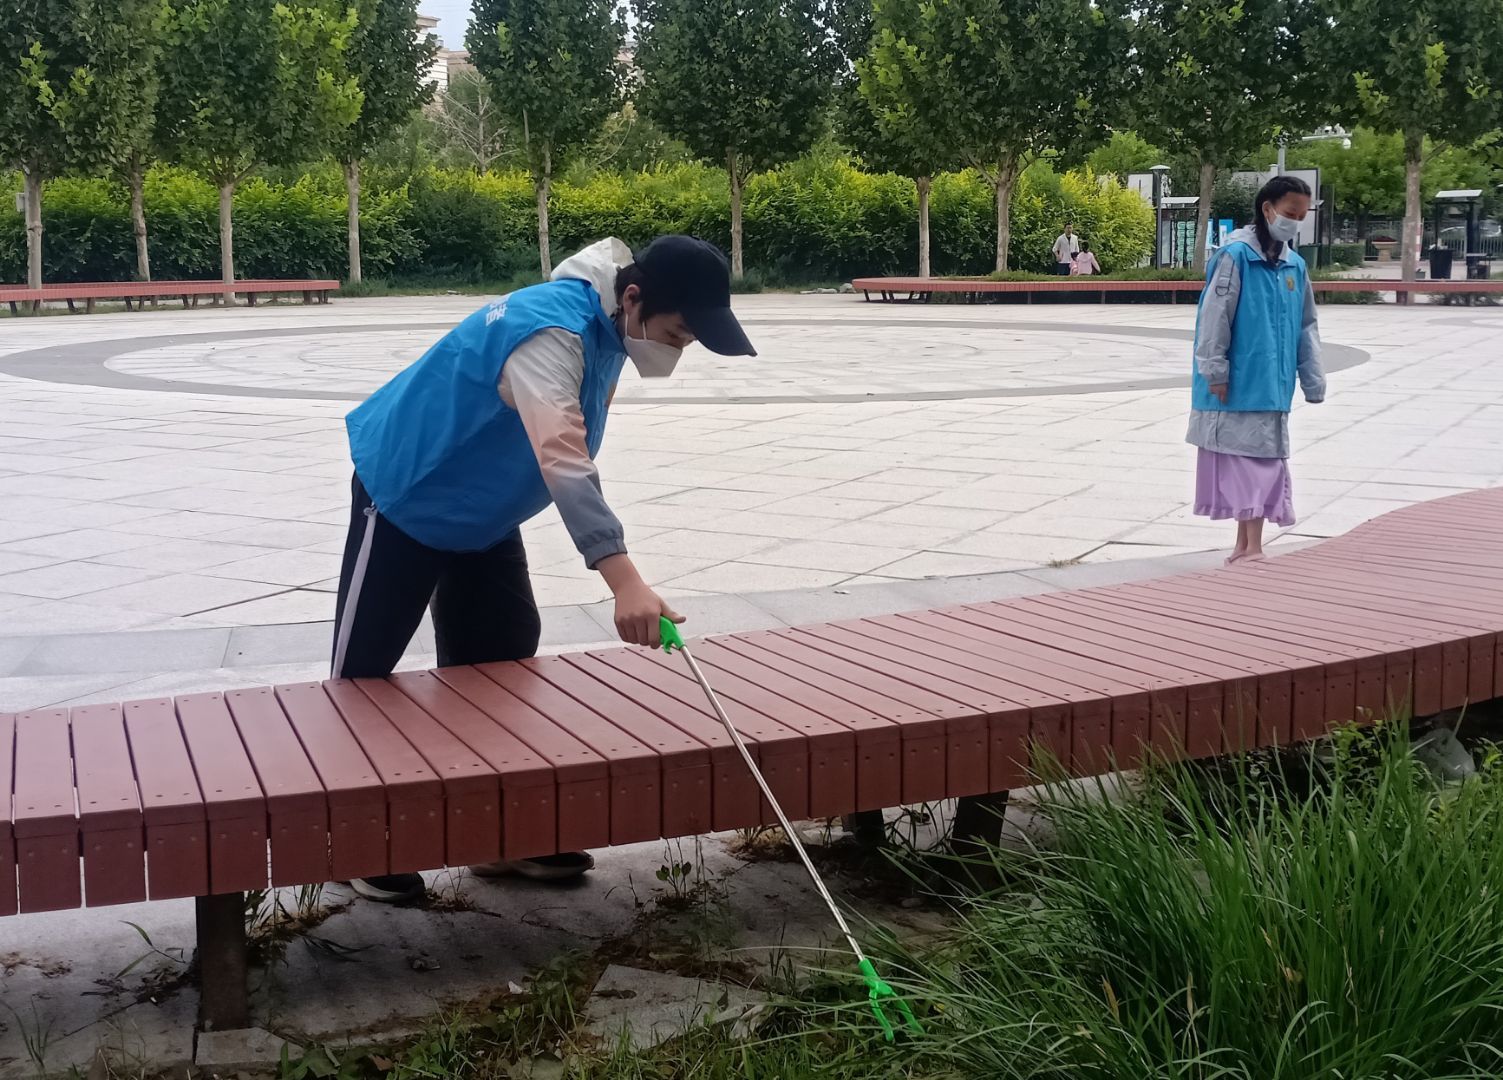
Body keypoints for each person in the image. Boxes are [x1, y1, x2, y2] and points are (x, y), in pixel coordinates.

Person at [333, 235, 756, 903]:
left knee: (501, 661)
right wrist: (624, 580)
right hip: (407, 494)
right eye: (679, 332)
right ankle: (354, 840)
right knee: (364, 673)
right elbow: (563, 458)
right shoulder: (550, 333)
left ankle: (493, 835)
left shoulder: (610, 327)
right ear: (634, 297)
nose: (680, 348)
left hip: (485, 510)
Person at [1188, 175, 1325, 565]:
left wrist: (1312, 378)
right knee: (1250, 466)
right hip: (1237, 384)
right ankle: (1251, 547)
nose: (1294, 222)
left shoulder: (1294, 266)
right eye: (1289, 213)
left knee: (1261, 461)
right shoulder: (1235, 258)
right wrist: (1215, 371)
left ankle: (1246, 546)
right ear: (1268, 209)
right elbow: (1214, 317)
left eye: (1301, 216)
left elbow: (1306, 326)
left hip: (1273, 386)